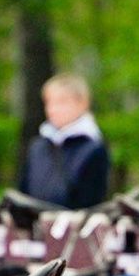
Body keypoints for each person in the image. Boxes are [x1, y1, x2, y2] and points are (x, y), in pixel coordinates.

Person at [18, 73, 110, 210]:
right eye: (49, 102)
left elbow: (90, 203)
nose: (53, 109)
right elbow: (23, 191)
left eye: (61, 102)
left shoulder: (93, 149)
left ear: (83, 103)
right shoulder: (37, 147)